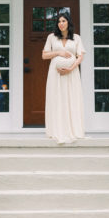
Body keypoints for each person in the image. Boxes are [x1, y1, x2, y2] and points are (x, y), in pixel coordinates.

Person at [41, 10, 85, 143]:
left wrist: (71, 68)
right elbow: (44, 55)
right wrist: (59, 52)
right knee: (57, 99)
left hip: (72, 73)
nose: (61, 23)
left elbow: (80, 56)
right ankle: (56, 130)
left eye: (63, 21)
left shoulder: (76, 38)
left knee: (71, 98)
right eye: (59, 21)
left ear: (68, 22)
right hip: (56, 74)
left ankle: (72, 129)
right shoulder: (51, 37)